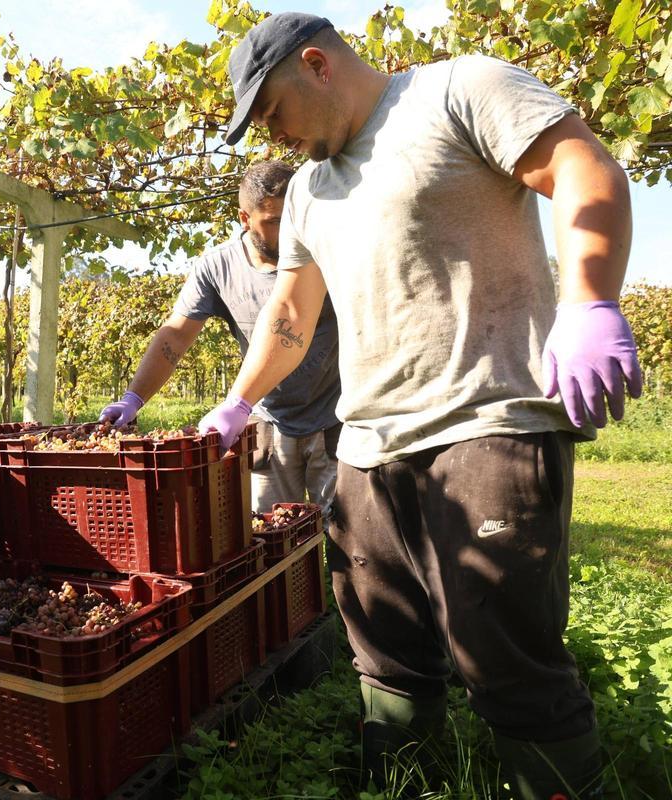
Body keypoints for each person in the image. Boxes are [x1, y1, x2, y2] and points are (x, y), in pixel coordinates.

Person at [198, 12, 641, 799]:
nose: (276, 137)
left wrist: (590, 302)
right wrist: (237, 402)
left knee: (507, 659)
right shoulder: (307, 190)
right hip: (367, 453)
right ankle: (405, 785)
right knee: (383, 651)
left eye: (272, 112)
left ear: (316, 64)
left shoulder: (458, 90)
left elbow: (584, 169)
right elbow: (291, 317)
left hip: (488, 427)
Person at [99, 160, 341, 514]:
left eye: (293, 217)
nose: (288, 231)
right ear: (244, 219)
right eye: (274, 222)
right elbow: (176, 337)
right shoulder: (217, 268)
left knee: (346, 538)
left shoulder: (324, 253)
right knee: (268, 532)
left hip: (334, 416)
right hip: (268, 419)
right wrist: (134, 398)